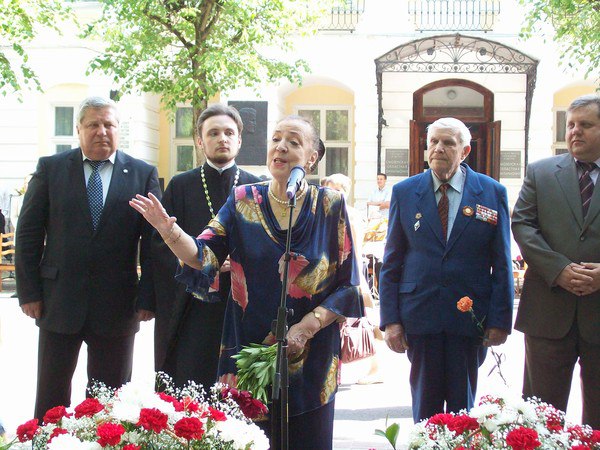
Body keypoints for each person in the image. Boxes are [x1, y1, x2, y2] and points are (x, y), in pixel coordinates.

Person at [131, 115, 363, 449]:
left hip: (312, 357)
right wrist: (169, 231)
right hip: (247, 358)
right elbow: (203, 255)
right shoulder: (243, 200)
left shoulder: (330, 205)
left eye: (294, 142)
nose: (280, 146)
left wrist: (306, 327)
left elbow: (348, 286)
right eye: (276, 138)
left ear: (311, 158)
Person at [15, 96, 160, 421]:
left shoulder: (141, 173)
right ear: (78, 129)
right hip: (58, 302)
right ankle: (47, 443)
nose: (101, 131)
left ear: (118, 129)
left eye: (109, 124)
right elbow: (28, 234)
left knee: (109, 401)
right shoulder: (50, 169)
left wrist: (148, 296)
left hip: (118, 305)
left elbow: (153, 245)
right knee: (51, 396)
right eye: (93, 124)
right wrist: (30, 292)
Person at [379, 117, 513, 423]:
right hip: (420, 315)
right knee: (424, 414)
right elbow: (392, 261)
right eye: (433, 142)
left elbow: (502, 261)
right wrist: (390, 320)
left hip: (468, 318)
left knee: (462, 413)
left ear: (464, 151)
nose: (439, 148)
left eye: (448, 143)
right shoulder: (404, 192)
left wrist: (500, 320)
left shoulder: (492, 193)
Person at [153, 104, 260, 389]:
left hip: (240, 301)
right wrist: (200, 263)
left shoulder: (255, 187)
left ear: (239, 140)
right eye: (213, 133)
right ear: (200, 142)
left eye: (229, 132)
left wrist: (235, 262)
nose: (221, 138)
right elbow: (161, 245)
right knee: (192, 376)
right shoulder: (181, 185)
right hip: (194, 303)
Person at [512, 94, 600, 429]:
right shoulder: (541, 172)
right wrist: (558, 269)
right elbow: (522, 224)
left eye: (586, 125)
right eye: (571, 125)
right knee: (540, 417)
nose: (575, 132)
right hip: (548, 312)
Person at [324, 173, 384, 384]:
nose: (331, 193)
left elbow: (356, 250)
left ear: (344, 191)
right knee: (348, 321)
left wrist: (358, 281)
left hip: (352, 275)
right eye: (328, 188)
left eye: (336, 189)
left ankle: (377, 368)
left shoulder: (350, 214)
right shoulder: (331, 212)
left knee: (366, 321)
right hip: (339, 275)